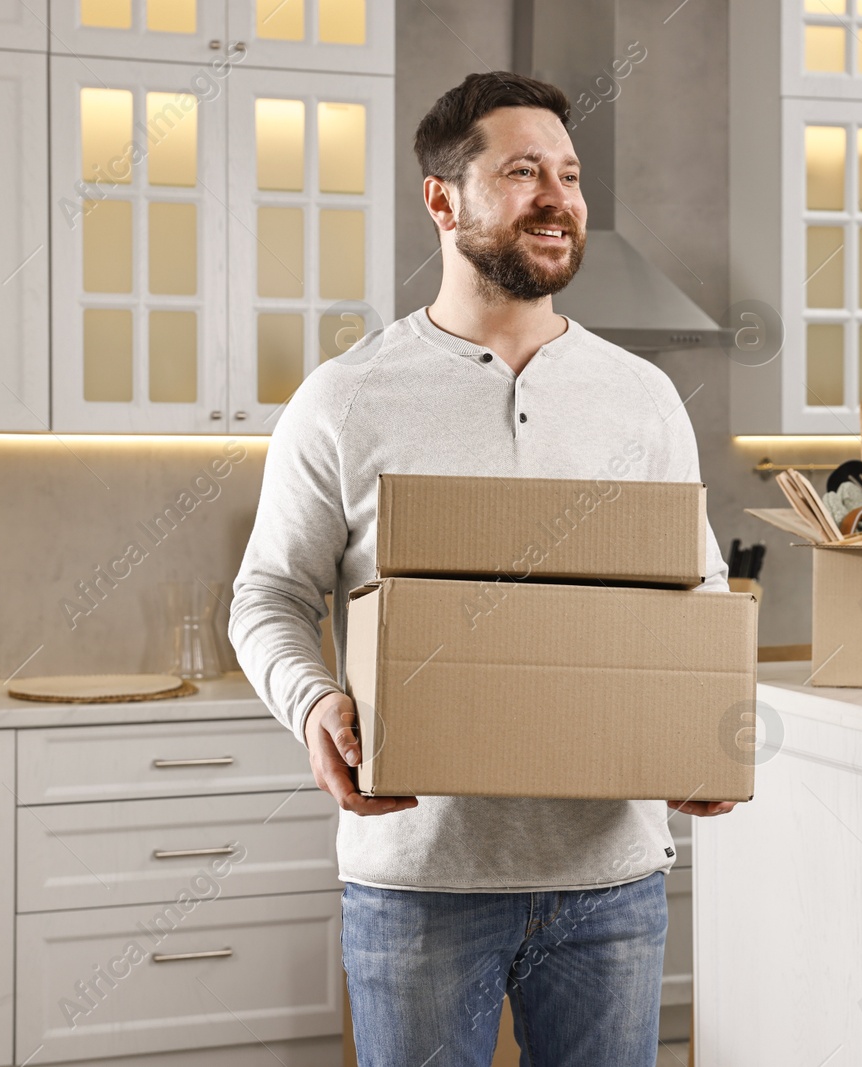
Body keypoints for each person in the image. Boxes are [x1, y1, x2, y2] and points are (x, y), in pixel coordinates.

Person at [230, 70, 735, 1067]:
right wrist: (316, 704)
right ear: (441, 198)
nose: (557, 195)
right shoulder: (344, 398)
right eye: (520, 171)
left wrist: (705, 726)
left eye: (570, 173)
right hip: (421, 876)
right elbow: (271, 595)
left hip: (610, 877)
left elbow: (697, 591)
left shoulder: (640, 399)